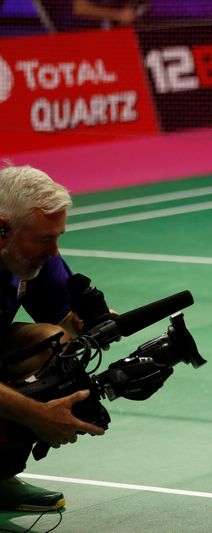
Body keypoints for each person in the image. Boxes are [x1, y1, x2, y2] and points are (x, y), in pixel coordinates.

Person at [0, 164, 105, 512]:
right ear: (2, 229)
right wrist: (37, 415)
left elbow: (68, 324)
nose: (55, 251)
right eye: (45, 239)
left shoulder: (32, 256)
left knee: (51, 343)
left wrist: (99, 326)